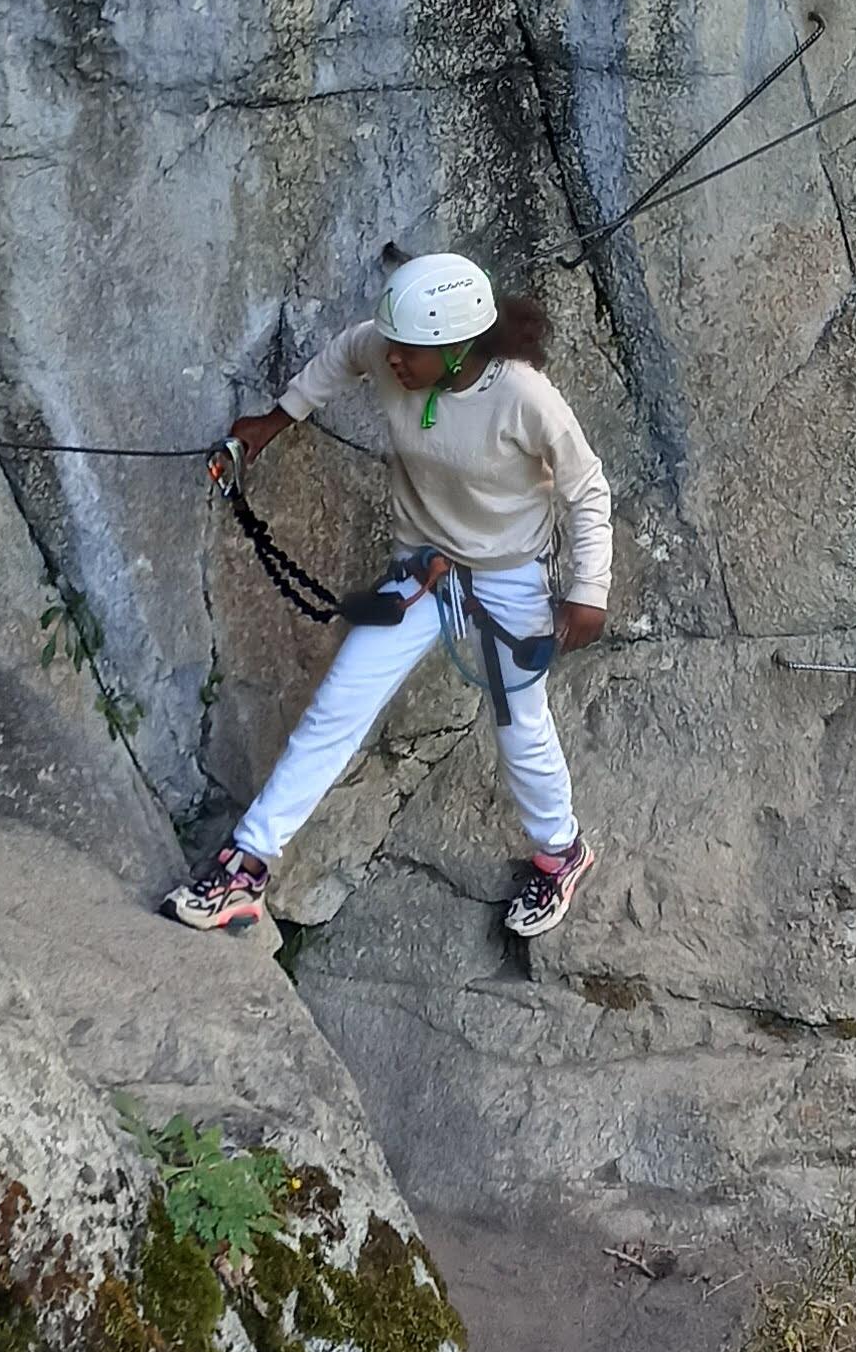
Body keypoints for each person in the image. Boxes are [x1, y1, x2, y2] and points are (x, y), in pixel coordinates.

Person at [164, 251, 613, 941]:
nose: (392, 360)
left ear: (458, 348)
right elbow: (344, 355)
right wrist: (275, 420)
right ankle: (247, 864)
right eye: (393, 344)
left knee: (519, 725)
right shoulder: (388, 348)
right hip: (424, 569)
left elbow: (587, 490)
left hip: (508, 573)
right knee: (337, 707)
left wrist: (589, 591)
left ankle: (562, 853)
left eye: (409, 351)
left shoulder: (524, 397)